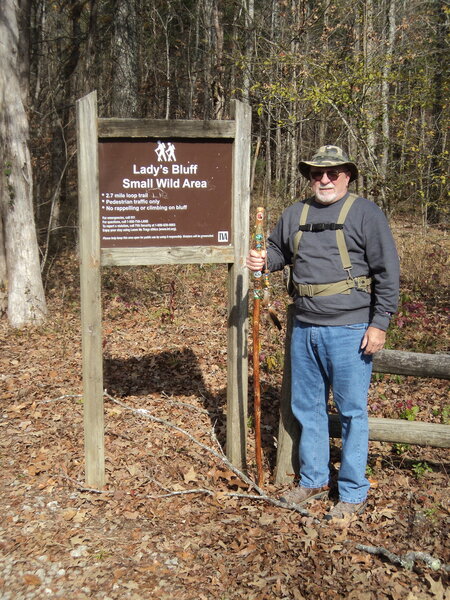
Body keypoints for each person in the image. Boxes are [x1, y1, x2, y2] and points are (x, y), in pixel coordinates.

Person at [246, 145, 400, 520]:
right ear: (310, 177)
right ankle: (314, 479)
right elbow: (279, 251)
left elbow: (387, 272)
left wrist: (380, 323)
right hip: (303, 325)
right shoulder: (295, 213)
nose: (325, 180)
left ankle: (352, 491)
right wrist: (264, 259)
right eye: (317, 174)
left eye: (333, 173)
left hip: (351, 329)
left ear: (347, 175)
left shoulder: (366, 213)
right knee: (306, 408)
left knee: (350, 412)